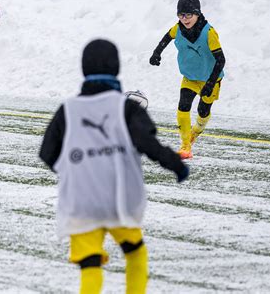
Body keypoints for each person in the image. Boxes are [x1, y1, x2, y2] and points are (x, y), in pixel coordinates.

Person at [39, 39, 189, 294]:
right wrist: (176, 165)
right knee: (135, 254)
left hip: (81, 202)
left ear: (84, 69)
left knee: (90, 266)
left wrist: (76, 171)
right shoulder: (126, 108)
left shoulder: (68, 109)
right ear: (116, 67)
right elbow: (148, 144)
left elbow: (47, 153)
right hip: (119, 199)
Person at [149, 0, 226, 159]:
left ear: (197, 14)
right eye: (181, 15)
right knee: (183, 107)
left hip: (210, 79)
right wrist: (157, 53)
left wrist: (211, 83)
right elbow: (167, 37)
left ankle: (195, 132)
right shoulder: (178, 29)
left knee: (203, 111)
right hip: (190, 77)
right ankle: (185, 146)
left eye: (188, 15)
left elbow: (221, 59)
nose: (184, 19)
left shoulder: (208, 33)